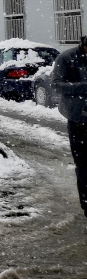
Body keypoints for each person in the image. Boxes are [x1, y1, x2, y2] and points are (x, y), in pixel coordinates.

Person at [50, 34, 87, 218]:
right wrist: (83, 87)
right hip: (78, 119)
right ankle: (86, 204)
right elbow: (56, 85)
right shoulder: (66, 58)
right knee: (83, 164)